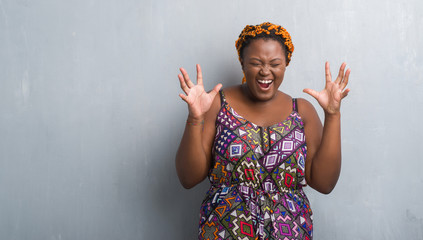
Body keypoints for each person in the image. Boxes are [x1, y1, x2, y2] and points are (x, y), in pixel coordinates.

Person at [175, 22, 350, 240]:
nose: (265, 71)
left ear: (286, 63)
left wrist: (333, 115)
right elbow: (188, 178)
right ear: (242, 63)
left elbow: (324, 184)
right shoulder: (217, 103)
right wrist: (195, 118)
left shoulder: (301, 111)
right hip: (225, 231)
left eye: (275, 63)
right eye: (256, 63)